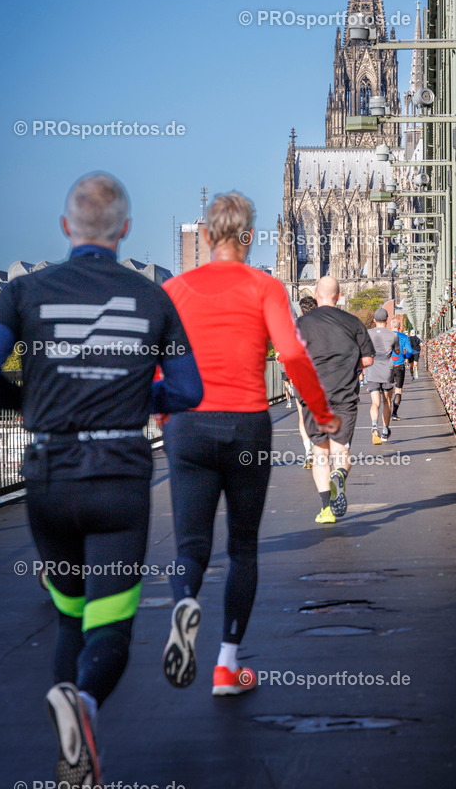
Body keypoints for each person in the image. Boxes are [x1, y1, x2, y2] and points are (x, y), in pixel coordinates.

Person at [0, 173, 203, 789]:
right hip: (119, 479)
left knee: (70, 616)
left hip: (48, 478)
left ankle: (75, 758)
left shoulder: (24, 293)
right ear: (125, 231)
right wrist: (137, 392)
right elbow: (188, 390)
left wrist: (23, 400)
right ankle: (80, 706)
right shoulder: (153, 299)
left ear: (65, 228)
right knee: (110, 625)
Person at [161, 193, 339, 696]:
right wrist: (321, 413)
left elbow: (157, 361)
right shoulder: (264, 286)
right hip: (246, 425)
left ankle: (183, 603)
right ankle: (227, 665)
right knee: (242, 547)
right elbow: (293, 356)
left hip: (188, 427)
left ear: (206, 236)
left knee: (191, 544)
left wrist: (162, 412)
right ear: (249, 237)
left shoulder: (173, 289)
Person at [297, 276, 374, 523]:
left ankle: (326, 510)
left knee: (320, 453)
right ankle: (340, 474)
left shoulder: (300, 323)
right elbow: (369, 359)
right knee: (341, 450)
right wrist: (347, 364)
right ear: (339, 296)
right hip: (344, 395)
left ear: (316, 294)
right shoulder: (353, 323)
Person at [366, 308, 400, 444]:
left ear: (374, 320)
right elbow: (396, 351)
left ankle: (374, 425)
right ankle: (385, 429)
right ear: (387, 320)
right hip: (387, 369)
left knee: (375, 402)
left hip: (372, 369)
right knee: (387, 401)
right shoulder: (393, 335)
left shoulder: (367, 334)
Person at [295, 295, 318, 468]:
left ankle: (308, 450)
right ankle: (320, 449)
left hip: (302, 376)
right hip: (322, 376)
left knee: (303, 415)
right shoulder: (325, 325)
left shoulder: (295, 326)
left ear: (301, 311)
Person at [390, 317, 414, 420]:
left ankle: (386, 410)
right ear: (400, 327)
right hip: (399, 366)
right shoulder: (404, 337)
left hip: (387, 366)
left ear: (391, 326)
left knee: (388, 390)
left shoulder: (386, 336)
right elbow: (409, 351)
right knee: (398, 390)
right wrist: (405, 357)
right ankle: (394, 413)